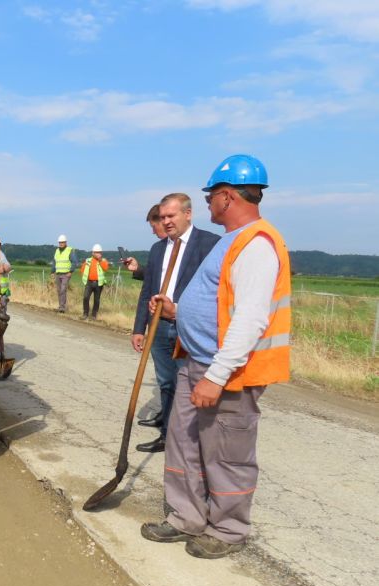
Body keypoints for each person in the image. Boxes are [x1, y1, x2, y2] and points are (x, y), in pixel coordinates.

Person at [141, 154, 291, 559]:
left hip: (226, 372)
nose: (207, 204)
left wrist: (216, 376)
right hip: (195, 361)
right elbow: (219, 300)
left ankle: (227, 529)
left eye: (210, 197)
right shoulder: (231, 240)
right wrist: (178, 311)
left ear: (226, 196)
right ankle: (185, 516)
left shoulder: (257, 244)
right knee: (184, 444)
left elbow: (250, 319)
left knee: (227, 454)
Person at [131, 194, 220, 452]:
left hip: (188, 327)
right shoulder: (159, 248)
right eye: (163, 217)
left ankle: (191, 440)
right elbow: (147, 290)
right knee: (167, 381)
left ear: (188, 214)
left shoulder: (209, 244)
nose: (166, 221)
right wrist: (140, 328)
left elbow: (214, 293)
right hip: (159, 326)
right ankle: (167, 434)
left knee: (188, 382)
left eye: (172, 216)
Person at [122, 205, 167, 281]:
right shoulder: (157, 248)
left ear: (163, 222)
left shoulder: (183, 247)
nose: (153, 232)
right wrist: (137, 268)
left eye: (153, 227)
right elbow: (153, 276)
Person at [79, 244, 110, 319]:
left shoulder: (103, 261)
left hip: (99, 283)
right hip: (89, 282)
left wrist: (100, 260)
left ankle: (94, 315)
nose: (98, 254)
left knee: (96, 300)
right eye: (96, 252)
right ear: (93, 253)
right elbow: (82, 270)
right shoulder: (88, 261)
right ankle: (85, 313)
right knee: (86, 297)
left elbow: (106, 268)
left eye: (99, 252)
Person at [50, 234, 79, 312]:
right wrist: (52, 272)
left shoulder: (70, 250)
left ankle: (62, 307)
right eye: (60, 242)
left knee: (63, 290)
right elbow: (54, 262)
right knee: (59, 290)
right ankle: (60, 306)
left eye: (62, 242)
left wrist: (71, 271)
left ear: (66, 242)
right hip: (58, 273)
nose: (61, 244)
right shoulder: (56, 251)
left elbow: (75, 262)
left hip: (66, 274)